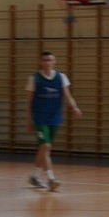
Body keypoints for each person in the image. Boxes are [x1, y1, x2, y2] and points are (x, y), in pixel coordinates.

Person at [26, 51, 82, 191]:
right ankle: (51, 179)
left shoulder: (61, 77)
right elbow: (29, 101)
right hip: (40, 117)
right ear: (40, 62)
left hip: (54, 117)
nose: (47, 62)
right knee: (46, 146)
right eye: (45, 60)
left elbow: (68, 95)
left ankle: (35, 176)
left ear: (54, 62)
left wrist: (74, 107)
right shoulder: (34, 78)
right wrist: (28, 120)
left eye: (50, 60)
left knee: (45, 148)